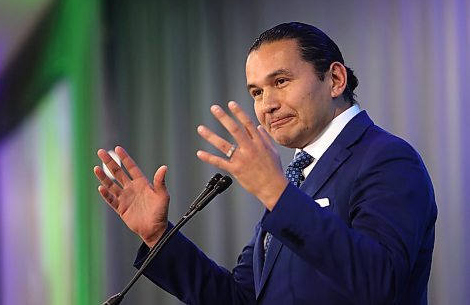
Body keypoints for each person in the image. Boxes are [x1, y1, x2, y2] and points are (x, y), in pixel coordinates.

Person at [94, 22, 437, 304]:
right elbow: (241, 298)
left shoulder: (387, 158)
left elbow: (381, 283)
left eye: (281, 82)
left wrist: (276, 192)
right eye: (256, 92)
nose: (266, 105)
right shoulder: (298, 177)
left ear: (335, 79)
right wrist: (158, 238)